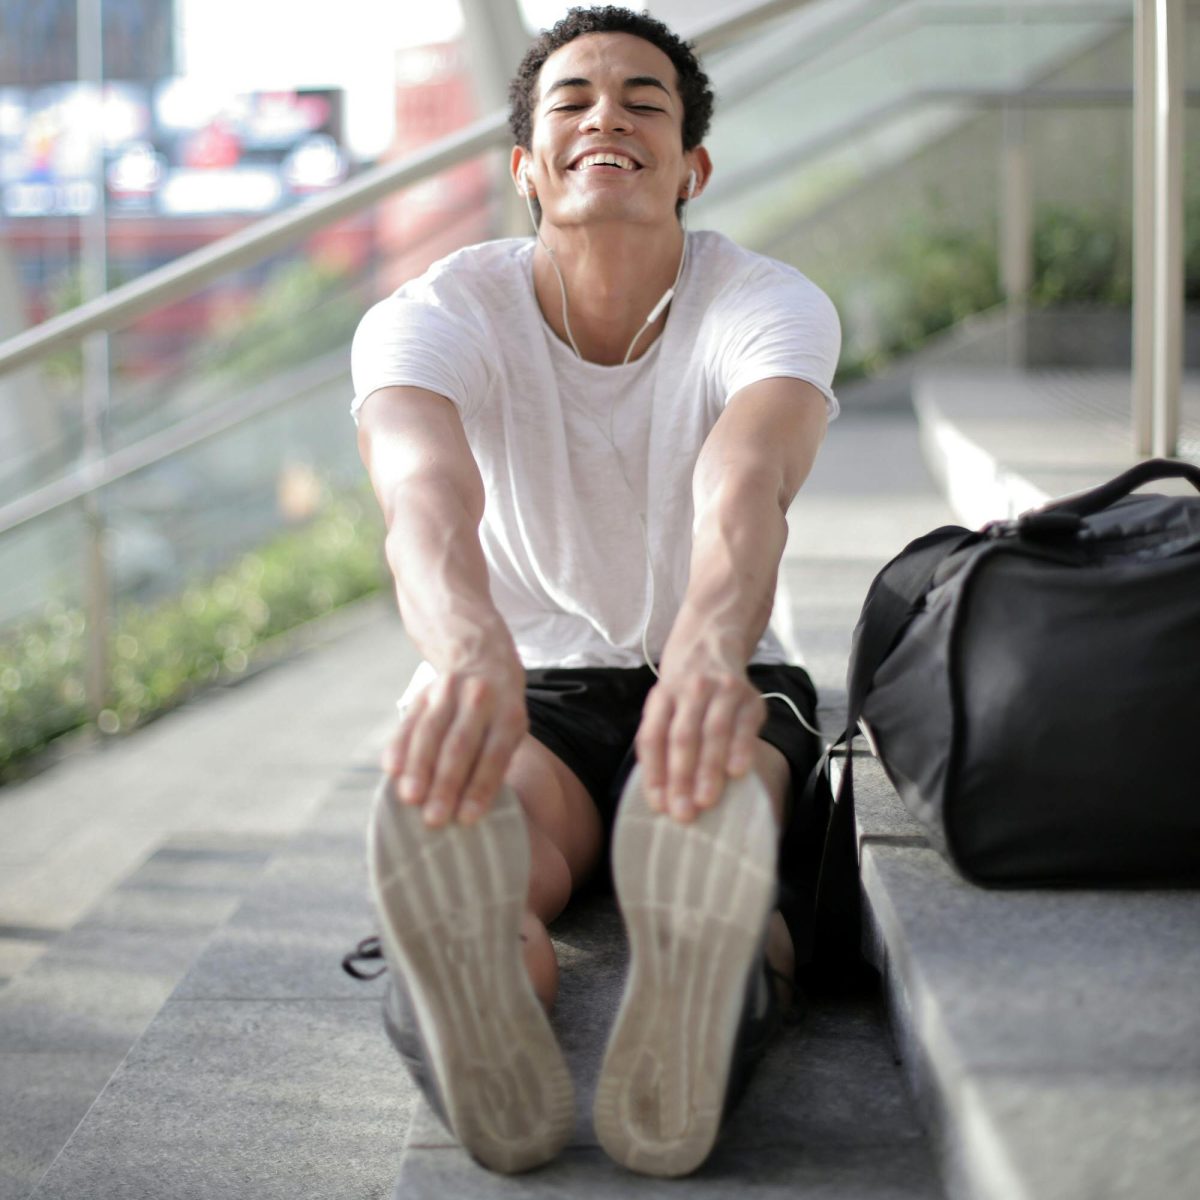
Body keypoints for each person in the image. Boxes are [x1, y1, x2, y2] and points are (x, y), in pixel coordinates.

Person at [343, 4, 840, 1179]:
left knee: (718, 818)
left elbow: (747, 486)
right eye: (570, 100)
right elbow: (423, 500)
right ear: (525, 167)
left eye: (642, 101)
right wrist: (468, 654)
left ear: (691, 168)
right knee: (491, 847)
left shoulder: (766, 304)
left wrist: (712, 650)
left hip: (719, 676)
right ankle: (475, 990)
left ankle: (710, 981)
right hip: (531, 684)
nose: (605, 114)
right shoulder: (435, 315)